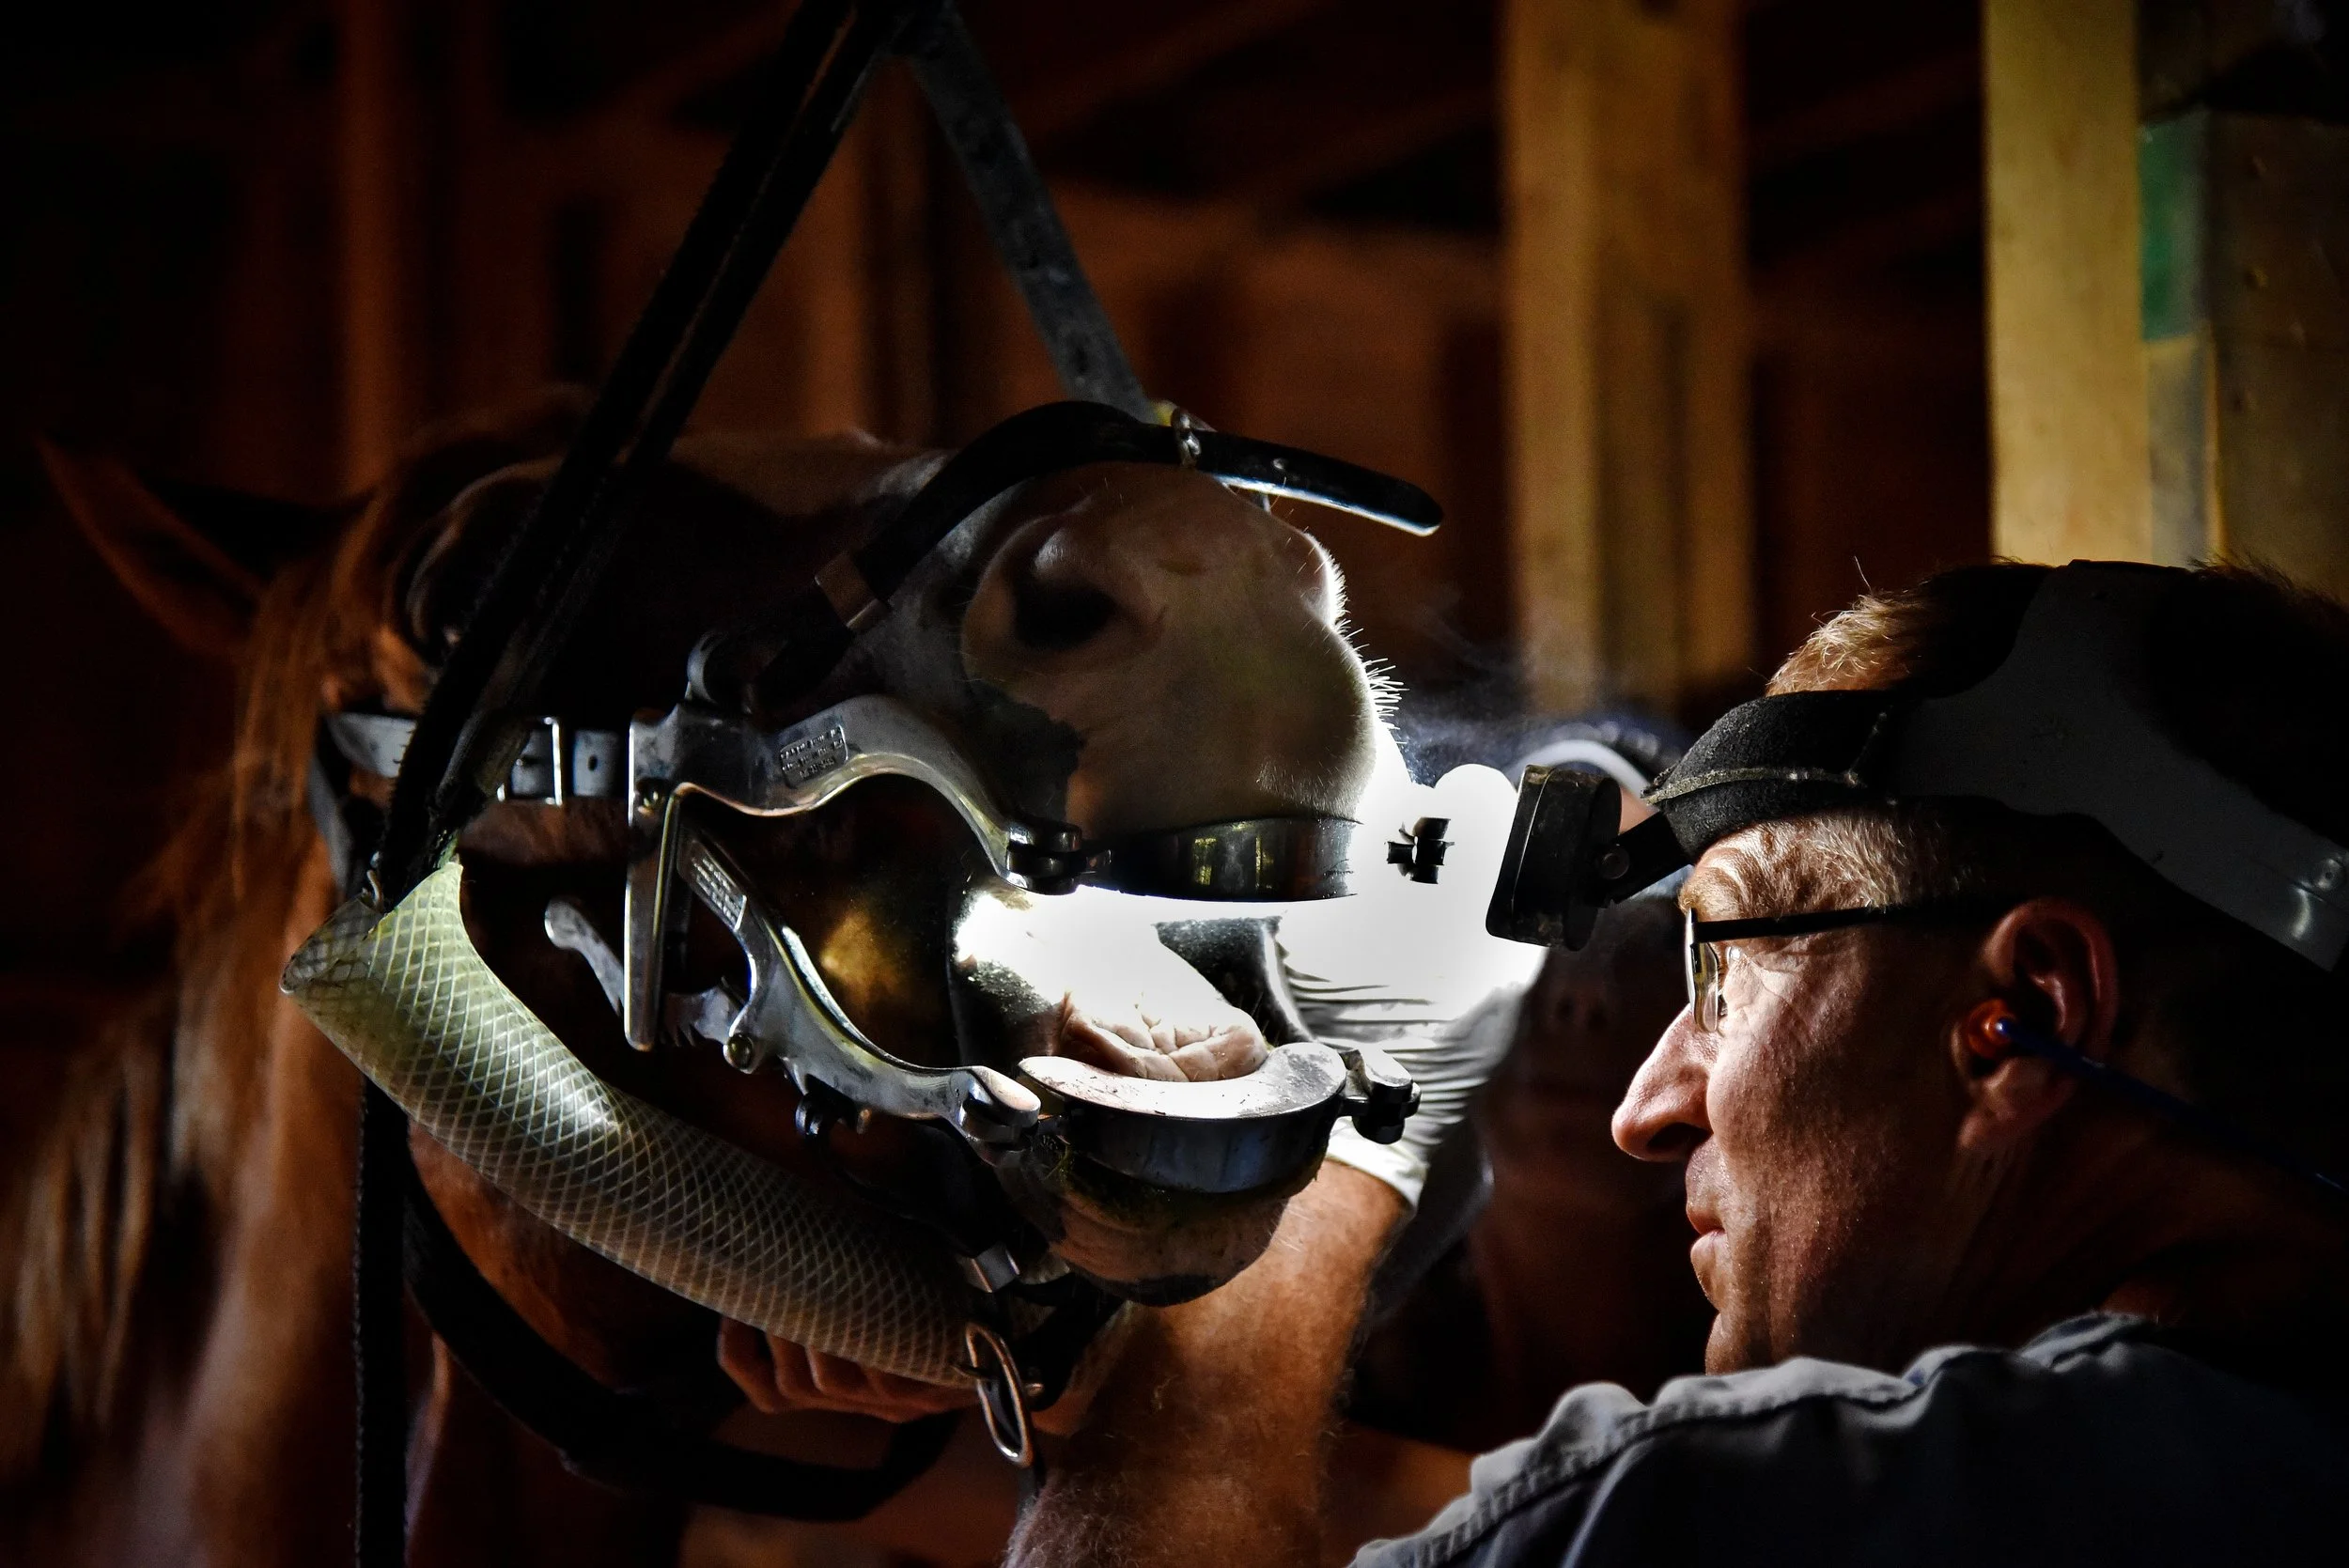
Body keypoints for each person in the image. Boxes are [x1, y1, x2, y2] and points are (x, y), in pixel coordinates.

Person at [1003, 561, 2349, 1566]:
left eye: (1727, 964)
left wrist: (1323, 1163)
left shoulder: (1745, 1517)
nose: (1648, 1110)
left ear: (2027, 1020)